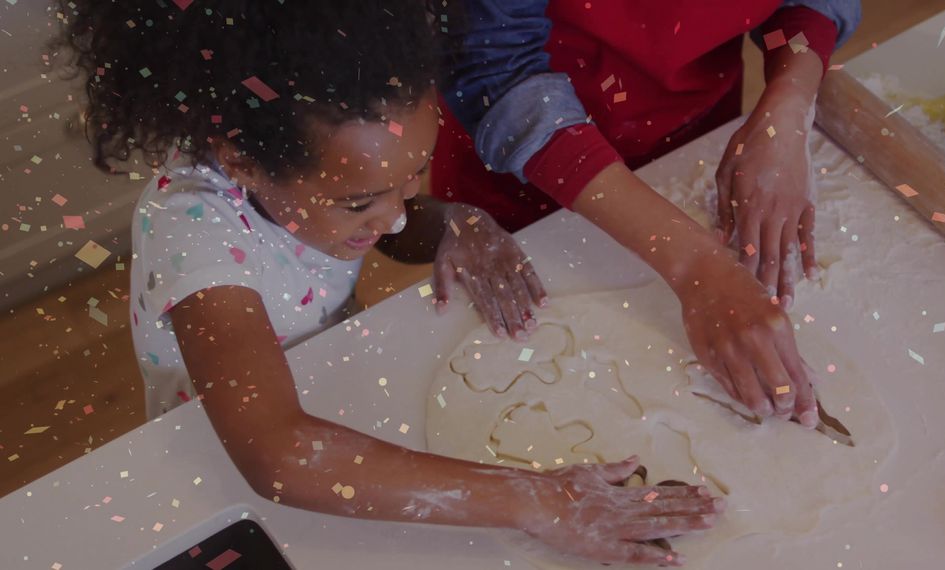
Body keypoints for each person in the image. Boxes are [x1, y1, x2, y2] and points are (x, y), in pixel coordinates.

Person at [53, 0, 719, 565]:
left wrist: (450, 223)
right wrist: (538, 500)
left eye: (411, 180)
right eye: (362, 202)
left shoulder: (316, 170)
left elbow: (397, 229)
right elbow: (277, 454)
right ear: (241, 164)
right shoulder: (191, 236)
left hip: (334, 401)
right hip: (225, 463)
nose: (395, 214)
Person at [435, 0, 861, 426]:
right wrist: (699, 266)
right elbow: (495, 64)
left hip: (694, 141)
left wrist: (789, 105)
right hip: (535, 178)